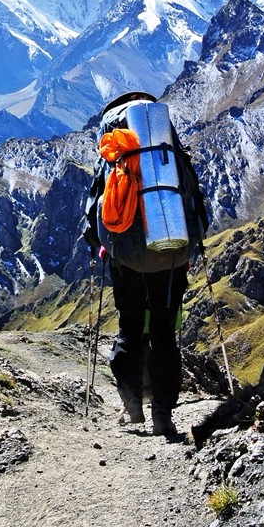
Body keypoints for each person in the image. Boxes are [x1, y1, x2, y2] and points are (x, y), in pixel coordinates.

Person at [83, 91, 197, 437]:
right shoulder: (168, 156)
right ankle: (163, 414)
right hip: (172, 254)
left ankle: (132, 407)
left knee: (129, 328)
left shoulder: (115, 156)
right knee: (164, 333)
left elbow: (94, 214)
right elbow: (194, 203)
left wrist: (102, 248)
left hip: (127, 260)